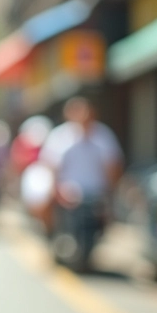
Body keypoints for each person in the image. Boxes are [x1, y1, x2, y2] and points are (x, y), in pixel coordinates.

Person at [38, 96, 123, 229]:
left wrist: (110, 193)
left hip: (96, 193)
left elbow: (113, 166)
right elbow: (50, 165)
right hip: (67, 192)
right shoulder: (59, 136)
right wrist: (56, 189)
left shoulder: (103, 135)